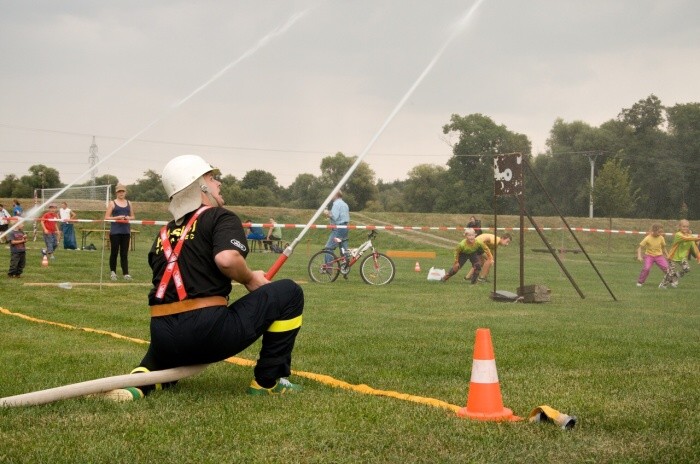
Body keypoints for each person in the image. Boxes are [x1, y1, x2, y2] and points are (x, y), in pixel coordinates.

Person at [119, 154, 303, 399]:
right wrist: (249, 278)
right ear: (200, 186)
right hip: (206, 333)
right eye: (212, 178)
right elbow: (227, 259)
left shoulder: (164, 232)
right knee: (289, 292)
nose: (219, 183)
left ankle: (140, 382)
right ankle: (268, 381)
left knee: (159, 360)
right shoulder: (221, 217)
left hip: (162, 335)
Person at [105, 184, 135, 281]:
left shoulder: (129, 203)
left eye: (122, 191)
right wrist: (116, 218)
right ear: (116, 192)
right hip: (115, 232)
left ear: (125, 192)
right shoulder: (112, 203)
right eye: (119, 191)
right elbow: (106, 217)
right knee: (114, 252)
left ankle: (125, 273)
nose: (121, 193)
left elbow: (133, 217)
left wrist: (127, 218)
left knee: (124, 253)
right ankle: (113, 272)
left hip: (126, 231)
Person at [659, 219, 700, 289]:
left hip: (682, 257)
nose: (685, 228)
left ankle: (675, 277)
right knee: (671, 272)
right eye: (684, 226)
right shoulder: (678, 235)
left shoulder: (690, 236)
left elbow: (694, 248)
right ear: (679, 227)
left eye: (687, 227)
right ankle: (663, 285)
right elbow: (686, 238)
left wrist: (699, 257)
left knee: (687, 269)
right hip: (673, 256)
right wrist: (696, 238)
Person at [323, 191, 350, 265]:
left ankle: (328, 267)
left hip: (338, 228)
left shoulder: (336, 204)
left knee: (328, 248)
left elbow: (334, 216)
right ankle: (346, 266)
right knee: (344, 249)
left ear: (336, 195)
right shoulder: (345, 204)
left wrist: (327, 213)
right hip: (345, 227)